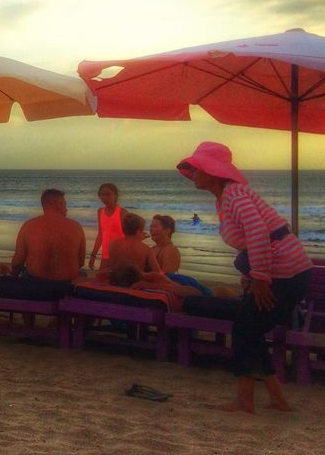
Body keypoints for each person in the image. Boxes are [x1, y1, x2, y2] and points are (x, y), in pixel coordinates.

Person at [179, 141, 312, 413]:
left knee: (245, 327)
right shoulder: (227, 196)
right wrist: (255, 274)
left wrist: (261, 277)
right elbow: (253, 240)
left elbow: (258, 233)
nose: (192, 173)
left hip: (286, 273)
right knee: (247, 328)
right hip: (286, 271)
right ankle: (271, 398)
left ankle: (249, 399)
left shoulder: (234, 195)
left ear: (213, 171)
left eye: (197, 167)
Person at [2, 189, 86, 298]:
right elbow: (81, 261)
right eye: (64, 204)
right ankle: (65, 315)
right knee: (83, 274)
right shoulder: (76, 227)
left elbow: (17, 263)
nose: (66, 209)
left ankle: (28, 314)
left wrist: (14, 275)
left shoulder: (28, 226)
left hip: (35, 287)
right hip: (66, 288)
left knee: (24, 274)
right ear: (56, 204)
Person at [99, 211, 161, 276]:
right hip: (134, 282)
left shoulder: (112, 244)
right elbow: (157, 273)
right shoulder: (146, 249)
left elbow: (109, 266)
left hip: (115, 280)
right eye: (142, 230)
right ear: (138, 231)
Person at [88, 182, 124, 270]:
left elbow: (129, 235)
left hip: (121, 254)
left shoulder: (122, 212)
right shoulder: (100, 212)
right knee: (102, 279)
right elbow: (100, 234)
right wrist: (93, 255)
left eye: (108, 194)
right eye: (102, 195)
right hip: (105, 254)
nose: (105, 197)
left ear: (115, 195)